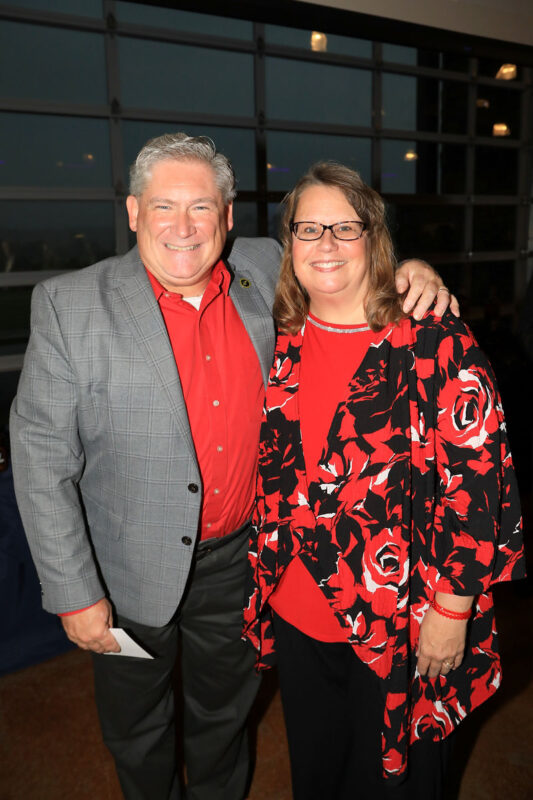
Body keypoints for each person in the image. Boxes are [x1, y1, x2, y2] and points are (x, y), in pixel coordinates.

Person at [10, 134, 453, 800]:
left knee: (224, 717)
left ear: (227, 216)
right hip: (124, 568)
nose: (182, 227)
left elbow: (344, 262)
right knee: (137, 728)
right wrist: (73, 591)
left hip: (242, 563)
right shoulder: (68, 305)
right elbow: (41, 456)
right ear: (133, 212)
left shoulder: (265, 265)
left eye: (201, 208)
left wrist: (412, 269)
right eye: (163, 207)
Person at [243, 162, 525, 800]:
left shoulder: (434, 343)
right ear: (288, 243)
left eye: (347, 227)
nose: (328, 244)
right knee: (319, 775)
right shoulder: (282, 336)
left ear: (375, 237)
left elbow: (480, 487)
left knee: (398, 785)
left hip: (400, 619)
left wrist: (452, 612)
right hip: (297, 605)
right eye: (309, 228)